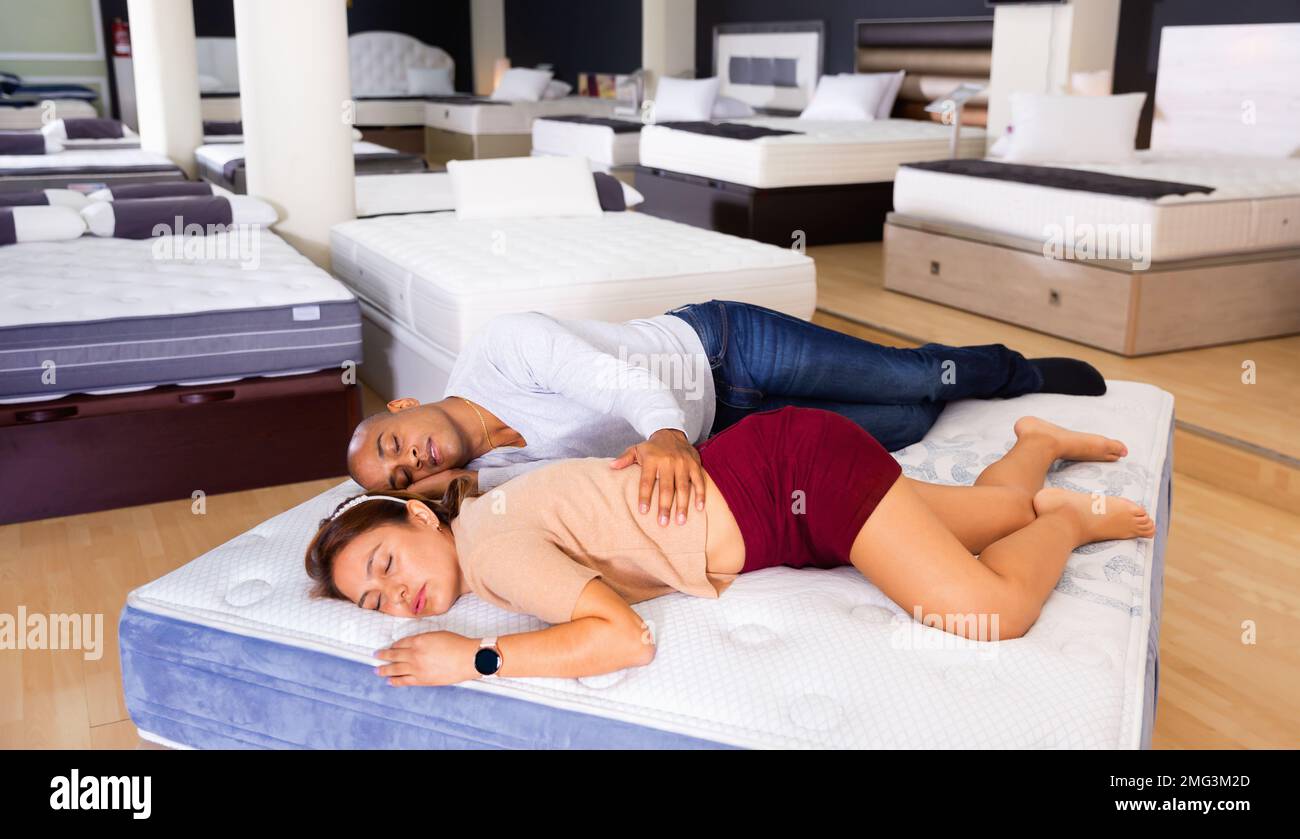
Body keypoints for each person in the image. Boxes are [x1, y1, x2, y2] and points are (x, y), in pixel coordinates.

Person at [307, 408, 1153, 687]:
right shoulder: (493, 516)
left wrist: (475, 660)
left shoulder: (486, 544)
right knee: (998, 510)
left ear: (419, 519)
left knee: (989, 611)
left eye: (385, 564)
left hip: (797, 481)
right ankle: (1037, 443)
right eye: (374, 601)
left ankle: (1071, 521)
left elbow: (620, 638)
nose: (397, 597)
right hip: (780, 493)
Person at [346, 300, 1106, 527]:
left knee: (907, 375)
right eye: (400, 474)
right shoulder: (488, 473)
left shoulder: (501, 343)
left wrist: (669, 436)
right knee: (905, 423)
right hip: (725, 428)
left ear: (401, 404)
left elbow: (618, 387)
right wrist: (421, 510)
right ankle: (951, 393)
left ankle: (1015, 369)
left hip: (726, 349)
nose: (410, 459)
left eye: (391, 442)